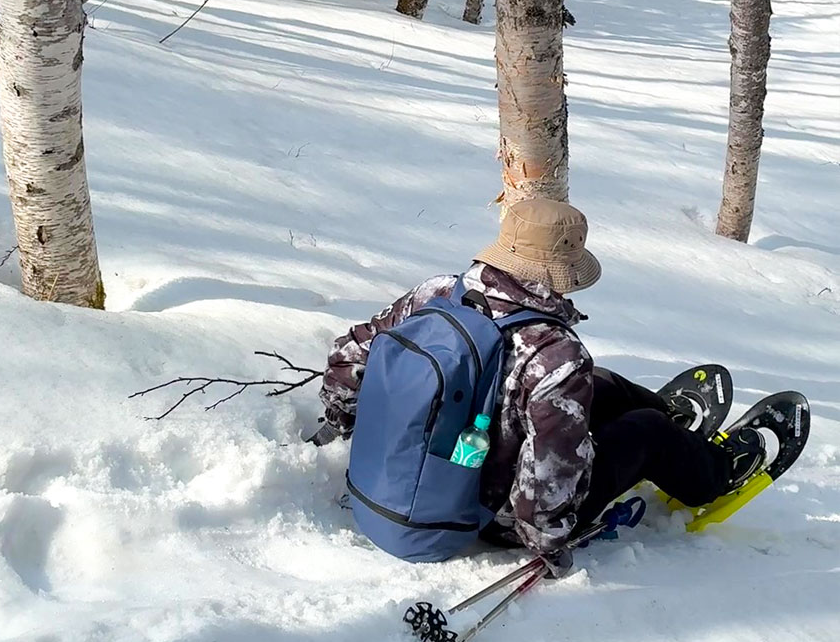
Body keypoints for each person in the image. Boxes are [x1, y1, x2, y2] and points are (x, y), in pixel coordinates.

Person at [313, 198, 765, 559]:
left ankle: (673, 424)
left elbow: (350, 357)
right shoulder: (553, 352)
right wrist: (548, 541)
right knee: (643, 430)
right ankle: (713, 474)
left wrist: (339, 421)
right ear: (560, 272)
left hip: (379, 487)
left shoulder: (436, 294)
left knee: (599, 384)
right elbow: (547, 475)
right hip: (488, 517)